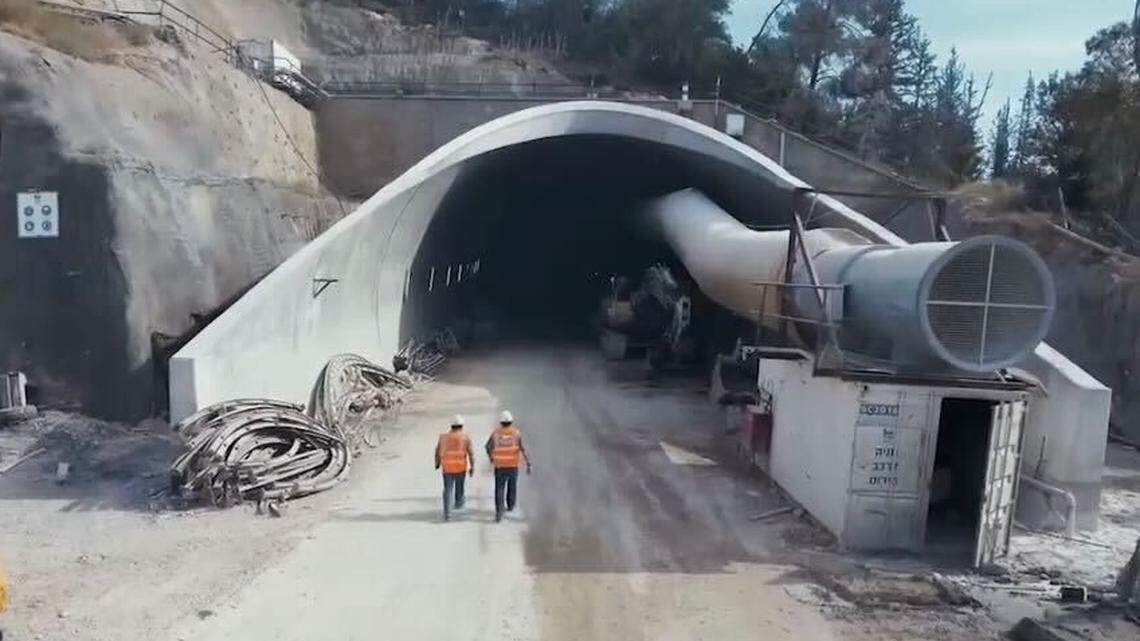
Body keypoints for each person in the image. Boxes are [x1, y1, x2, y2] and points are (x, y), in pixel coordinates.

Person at [485, 410, 532, 522]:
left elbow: (487, 446)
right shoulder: (516, 433)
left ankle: (499, 513)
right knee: (512, 487)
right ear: (511, 421)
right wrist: (528, 463)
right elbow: (523, 448)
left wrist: (491, 458)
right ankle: (510, 506)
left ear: (501, 422)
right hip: (513, 465)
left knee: (499, 489)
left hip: (500, 466)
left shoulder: (496, 433)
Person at [435, 414, 474, 521]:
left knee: (447, 489)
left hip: (447, 468)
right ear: (462, 426)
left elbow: (437, 450)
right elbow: (471, 453)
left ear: (451, 425)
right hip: (460, 468)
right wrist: (472, 467)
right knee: (459, 488)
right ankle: (459, 506)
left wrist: (437, 463)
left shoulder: (443, 437)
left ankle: (447, 513)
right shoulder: (465, 437)